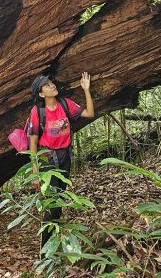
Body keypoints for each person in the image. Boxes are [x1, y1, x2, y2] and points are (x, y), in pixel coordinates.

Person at [26, 71, 94, 240]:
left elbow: (90, 114)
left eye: (51, 83)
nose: (52, 86)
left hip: (65, 157)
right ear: (41, 94)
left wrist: (86, 89)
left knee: (60, 199)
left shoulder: (65, 104)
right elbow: (33, 142)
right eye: (47, 85)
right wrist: (36, 172)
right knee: (51, 203)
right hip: (47, 160)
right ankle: (46, 251)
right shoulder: (37, 112)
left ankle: (56, 241)